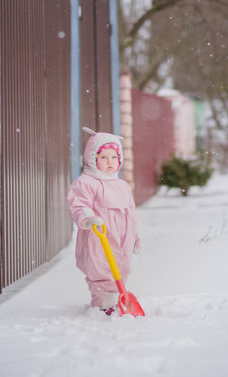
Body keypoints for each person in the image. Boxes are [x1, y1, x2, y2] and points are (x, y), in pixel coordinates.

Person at [67, 127, 140, 315]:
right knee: (101, 268)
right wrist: (89, 218)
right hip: (99, 235)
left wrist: (135, 235)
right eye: (104, 157)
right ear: (93, 158)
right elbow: (79, 203)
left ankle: (117, 299)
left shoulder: (122, 185)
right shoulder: (87, 182)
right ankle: (102, 304)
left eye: (114, 157)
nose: (110, 162)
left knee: (121, 267)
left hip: (123, 235)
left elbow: (131, 212)